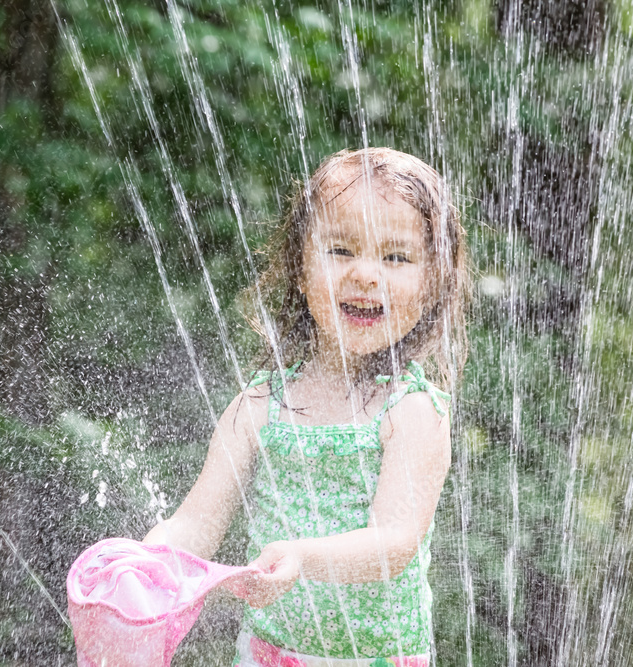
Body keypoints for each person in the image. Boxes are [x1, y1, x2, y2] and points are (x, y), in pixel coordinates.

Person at [143, 147, 469, 666]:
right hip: (268, 655)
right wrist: (145, 565)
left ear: (432, 284)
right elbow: (195, 524)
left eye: (396, 257)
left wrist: (302, 556)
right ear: (299, 268)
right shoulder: (259, 404)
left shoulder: (413, 411)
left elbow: (395, 542)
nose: (365, 273)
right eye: (340, 249)